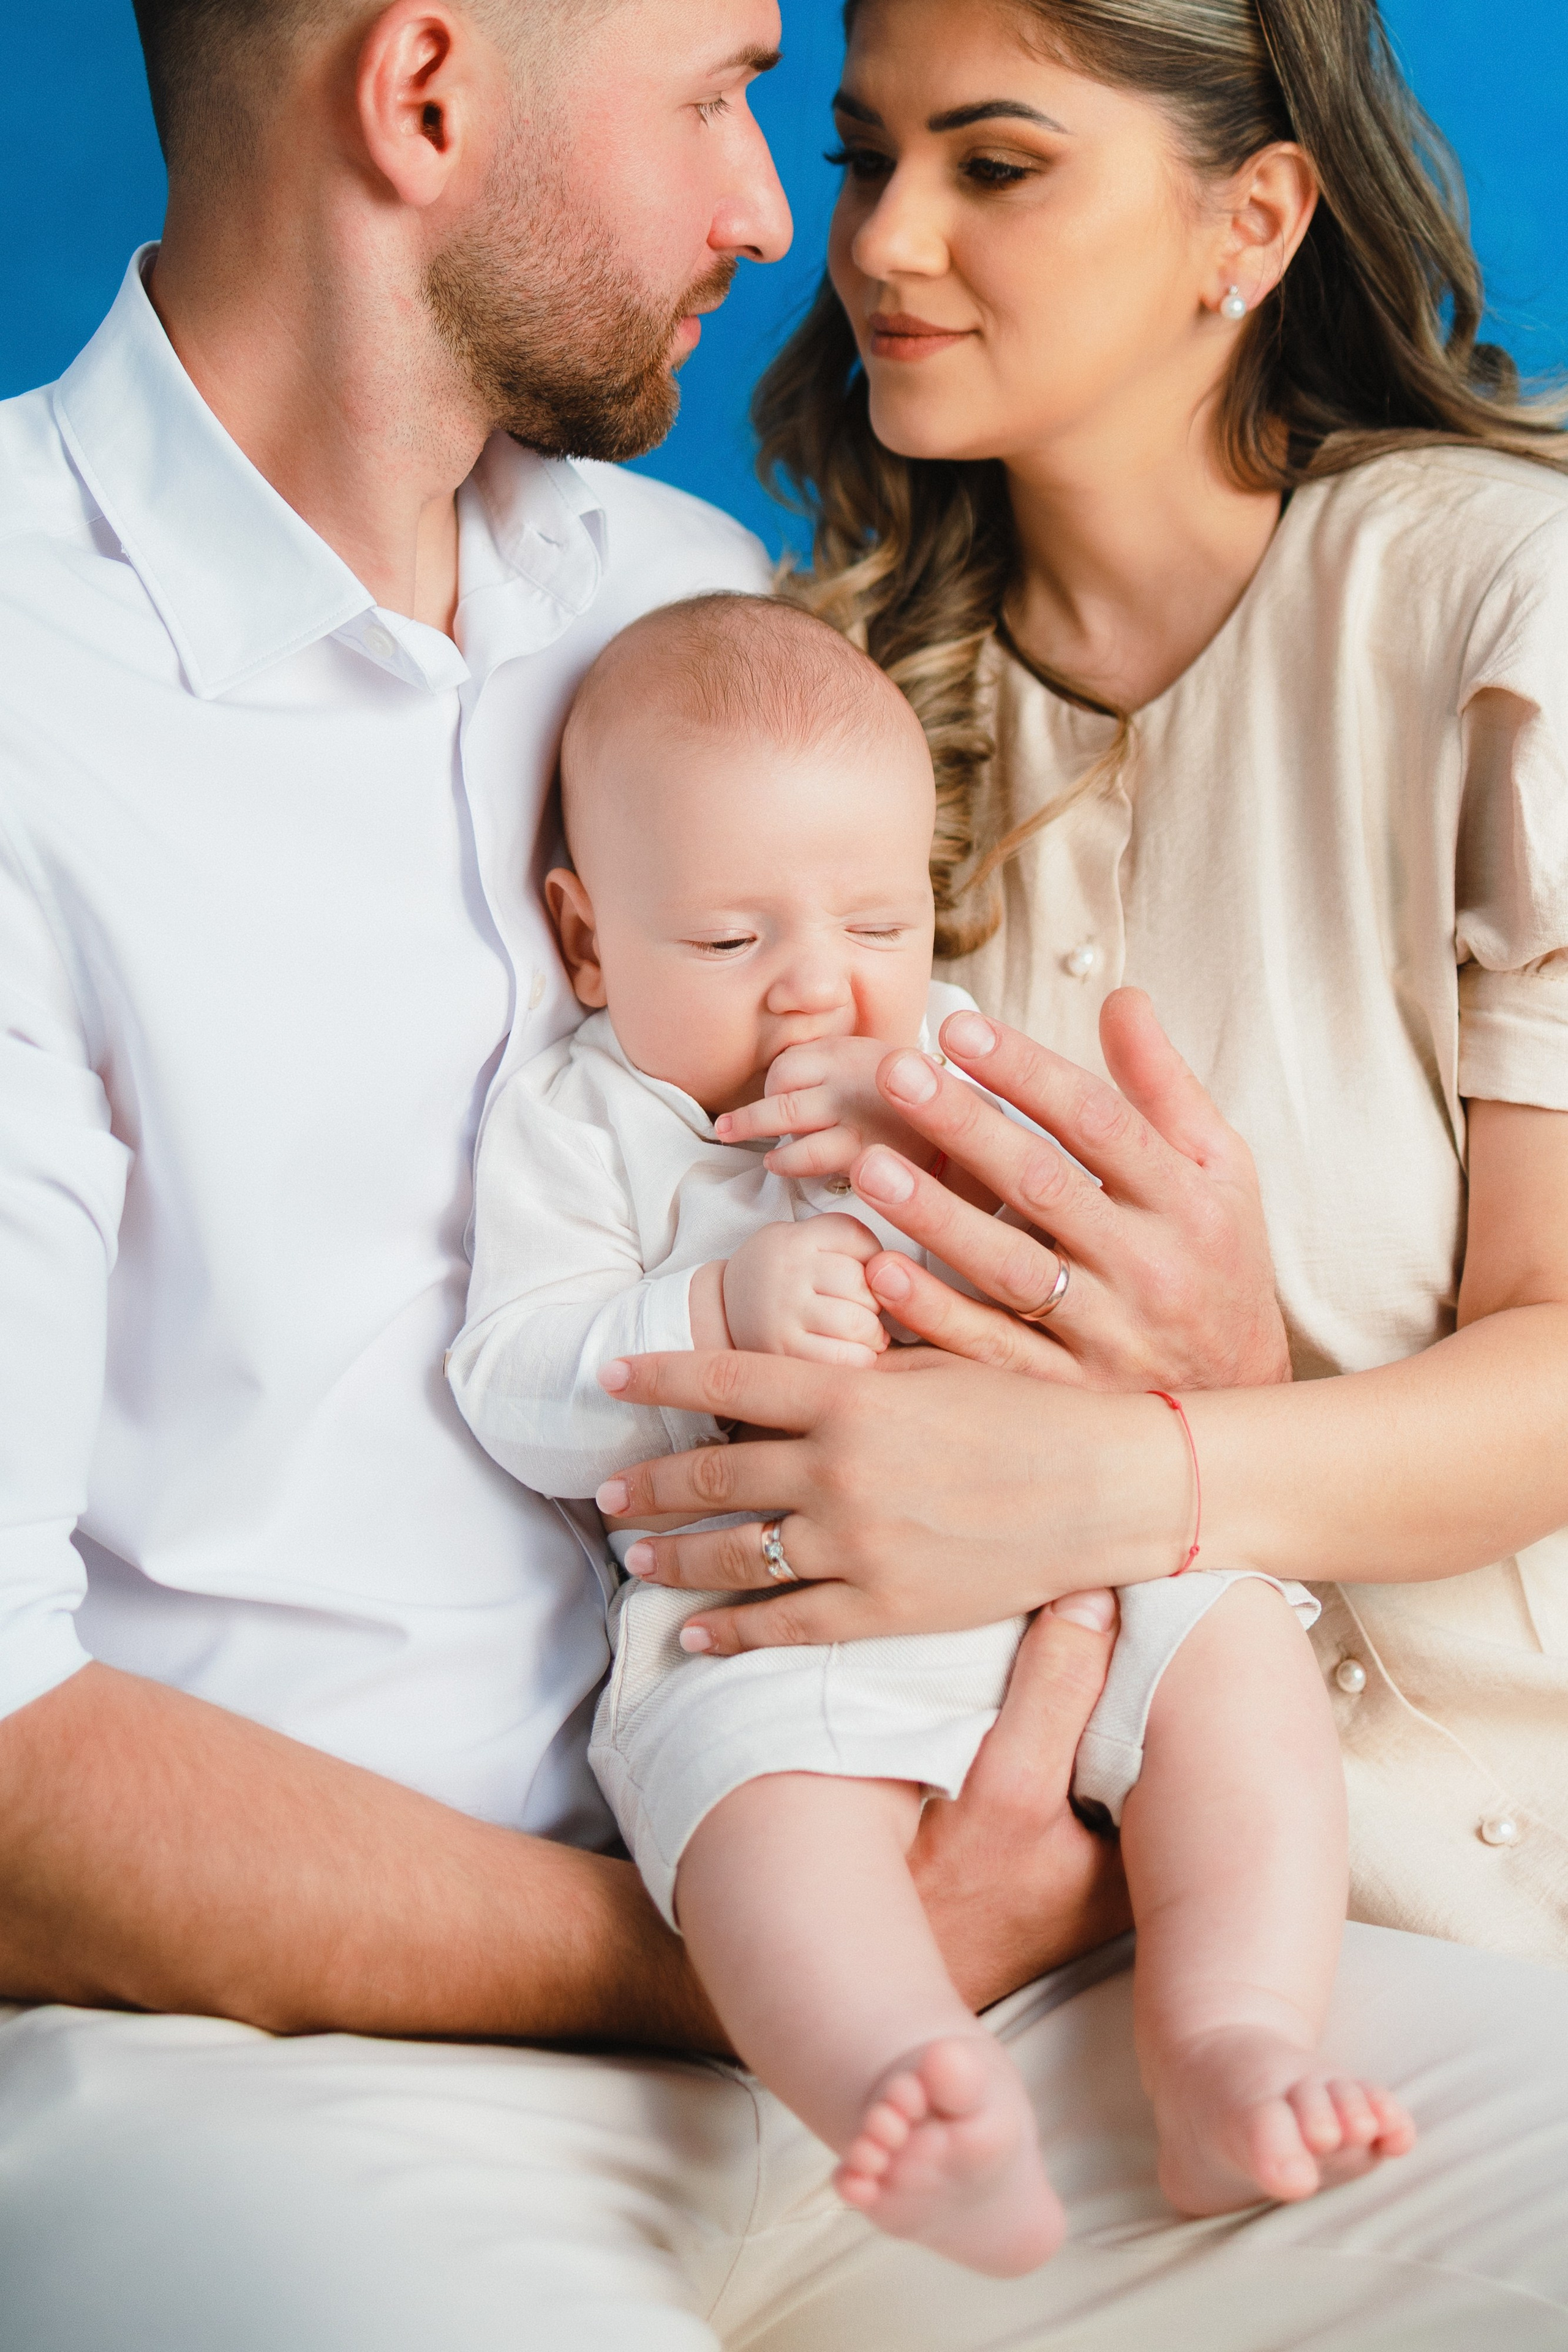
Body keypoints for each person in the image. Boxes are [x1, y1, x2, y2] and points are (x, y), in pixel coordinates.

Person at [0, 0, 1564, 2344]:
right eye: (736, 102)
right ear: (423, 97)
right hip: (314, 2056)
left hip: (1016, 1907)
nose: (787, 228)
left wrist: (1170, 1378)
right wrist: (779, 1956)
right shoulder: (42, 695)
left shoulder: (686, 598)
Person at [450, 586, 1407, 2275]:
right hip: (771, 1626)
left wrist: (969, 1166)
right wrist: (709, 1316)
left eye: (878, 928)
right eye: (736, 945)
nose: (821, 993)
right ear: (591, 940)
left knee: (1240, 1658)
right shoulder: (585, 1117)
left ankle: (1229, 2040)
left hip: (1056, 1577)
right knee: (759, 1833)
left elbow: (1092, 1310)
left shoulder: (954, 1064)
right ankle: (903, 2076)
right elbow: (512, 1379)